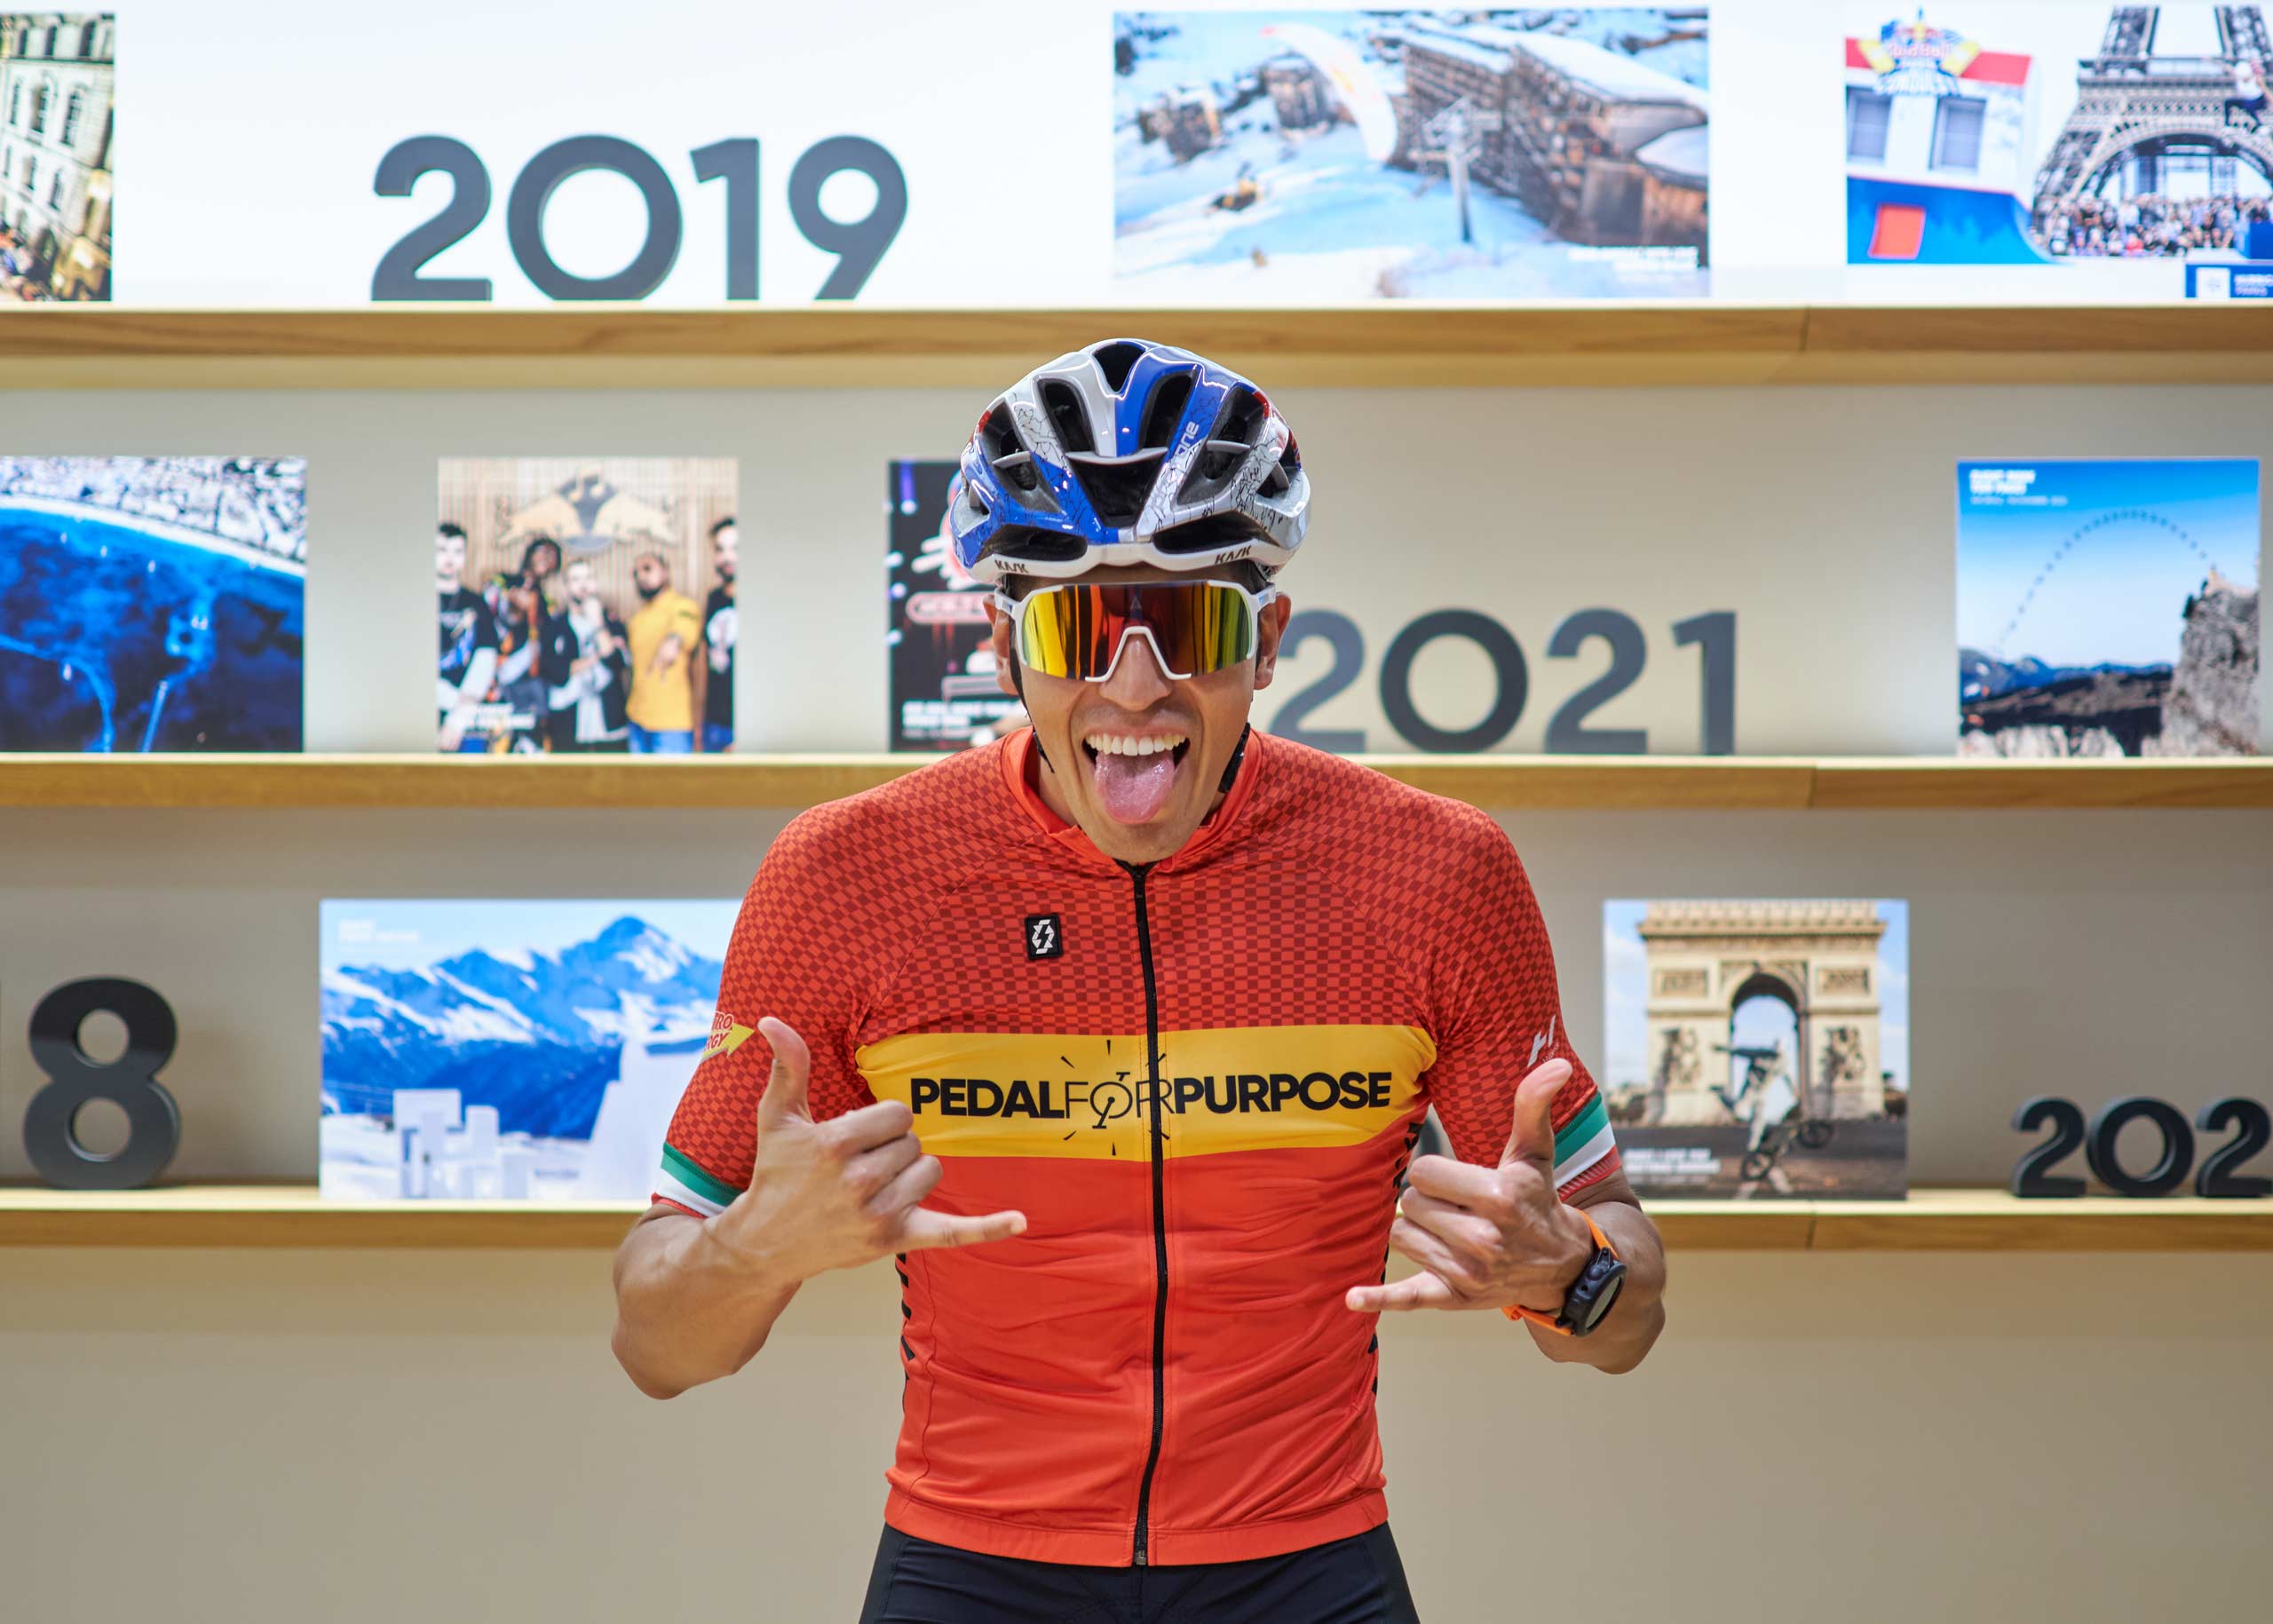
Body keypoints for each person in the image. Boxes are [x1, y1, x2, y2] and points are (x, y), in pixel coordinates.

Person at [610, 338, 1666, 1624]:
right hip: (971, 1563)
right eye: (1078, 625)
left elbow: (1627, 1316)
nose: (1134, 685)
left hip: (1306, 1562)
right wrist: (750, 1249)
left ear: (1266, 640)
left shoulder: (1434, 871)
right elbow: (656, 1345)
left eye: (1188, 623)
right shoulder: (850, 877)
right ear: (1005, 647)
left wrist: (1568, 1274)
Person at [543, 557, 631, 752]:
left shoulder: (612, 624)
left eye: (588, 578)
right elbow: (557, 672)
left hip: (610, 725)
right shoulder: (554, 626)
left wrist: (598, 624)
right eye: (576, 579)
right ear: (566, 587)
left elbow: (617, 663)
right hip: (568, 724)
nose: (583, 585)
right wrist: (598, 654)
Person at [623, 550, 701, 754]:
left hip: (671, 724)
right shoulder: (637, 619)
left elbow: (682, 632)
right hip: (637, 718)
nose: (641, 576)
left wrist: (673, 641)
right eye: (636, 573)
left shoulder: (683, 606)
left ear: (665, 572)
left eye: (648, 569)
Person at [435, 522, 499, 754]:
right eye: (442, 550)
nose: (449, 558)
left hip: (466, 718)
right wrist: (452, 700)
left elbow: (485, 660)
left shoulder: (476, 603)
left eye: (457, 551)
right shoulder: (412, 599)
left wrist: (458, 718)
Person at [697, 516, 737, 753]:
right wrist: (699, 725)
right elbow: (705, 662)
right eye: (720, 549)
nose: (727, 557)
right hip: (713, 725)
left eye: (735, 548)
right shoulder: (715, 598)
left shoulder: (766, 601)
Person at [2226, 56, 2266, 129]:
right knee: (2228, 102)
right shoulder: (2240, 77)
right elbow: (2228, 69)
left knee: (2248, 106)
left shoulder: (2256, 78)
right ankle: (2227, 124)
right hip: (2247, 99)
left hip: (2257, 100)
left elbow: (2265, 91)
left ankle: (2259, 123)